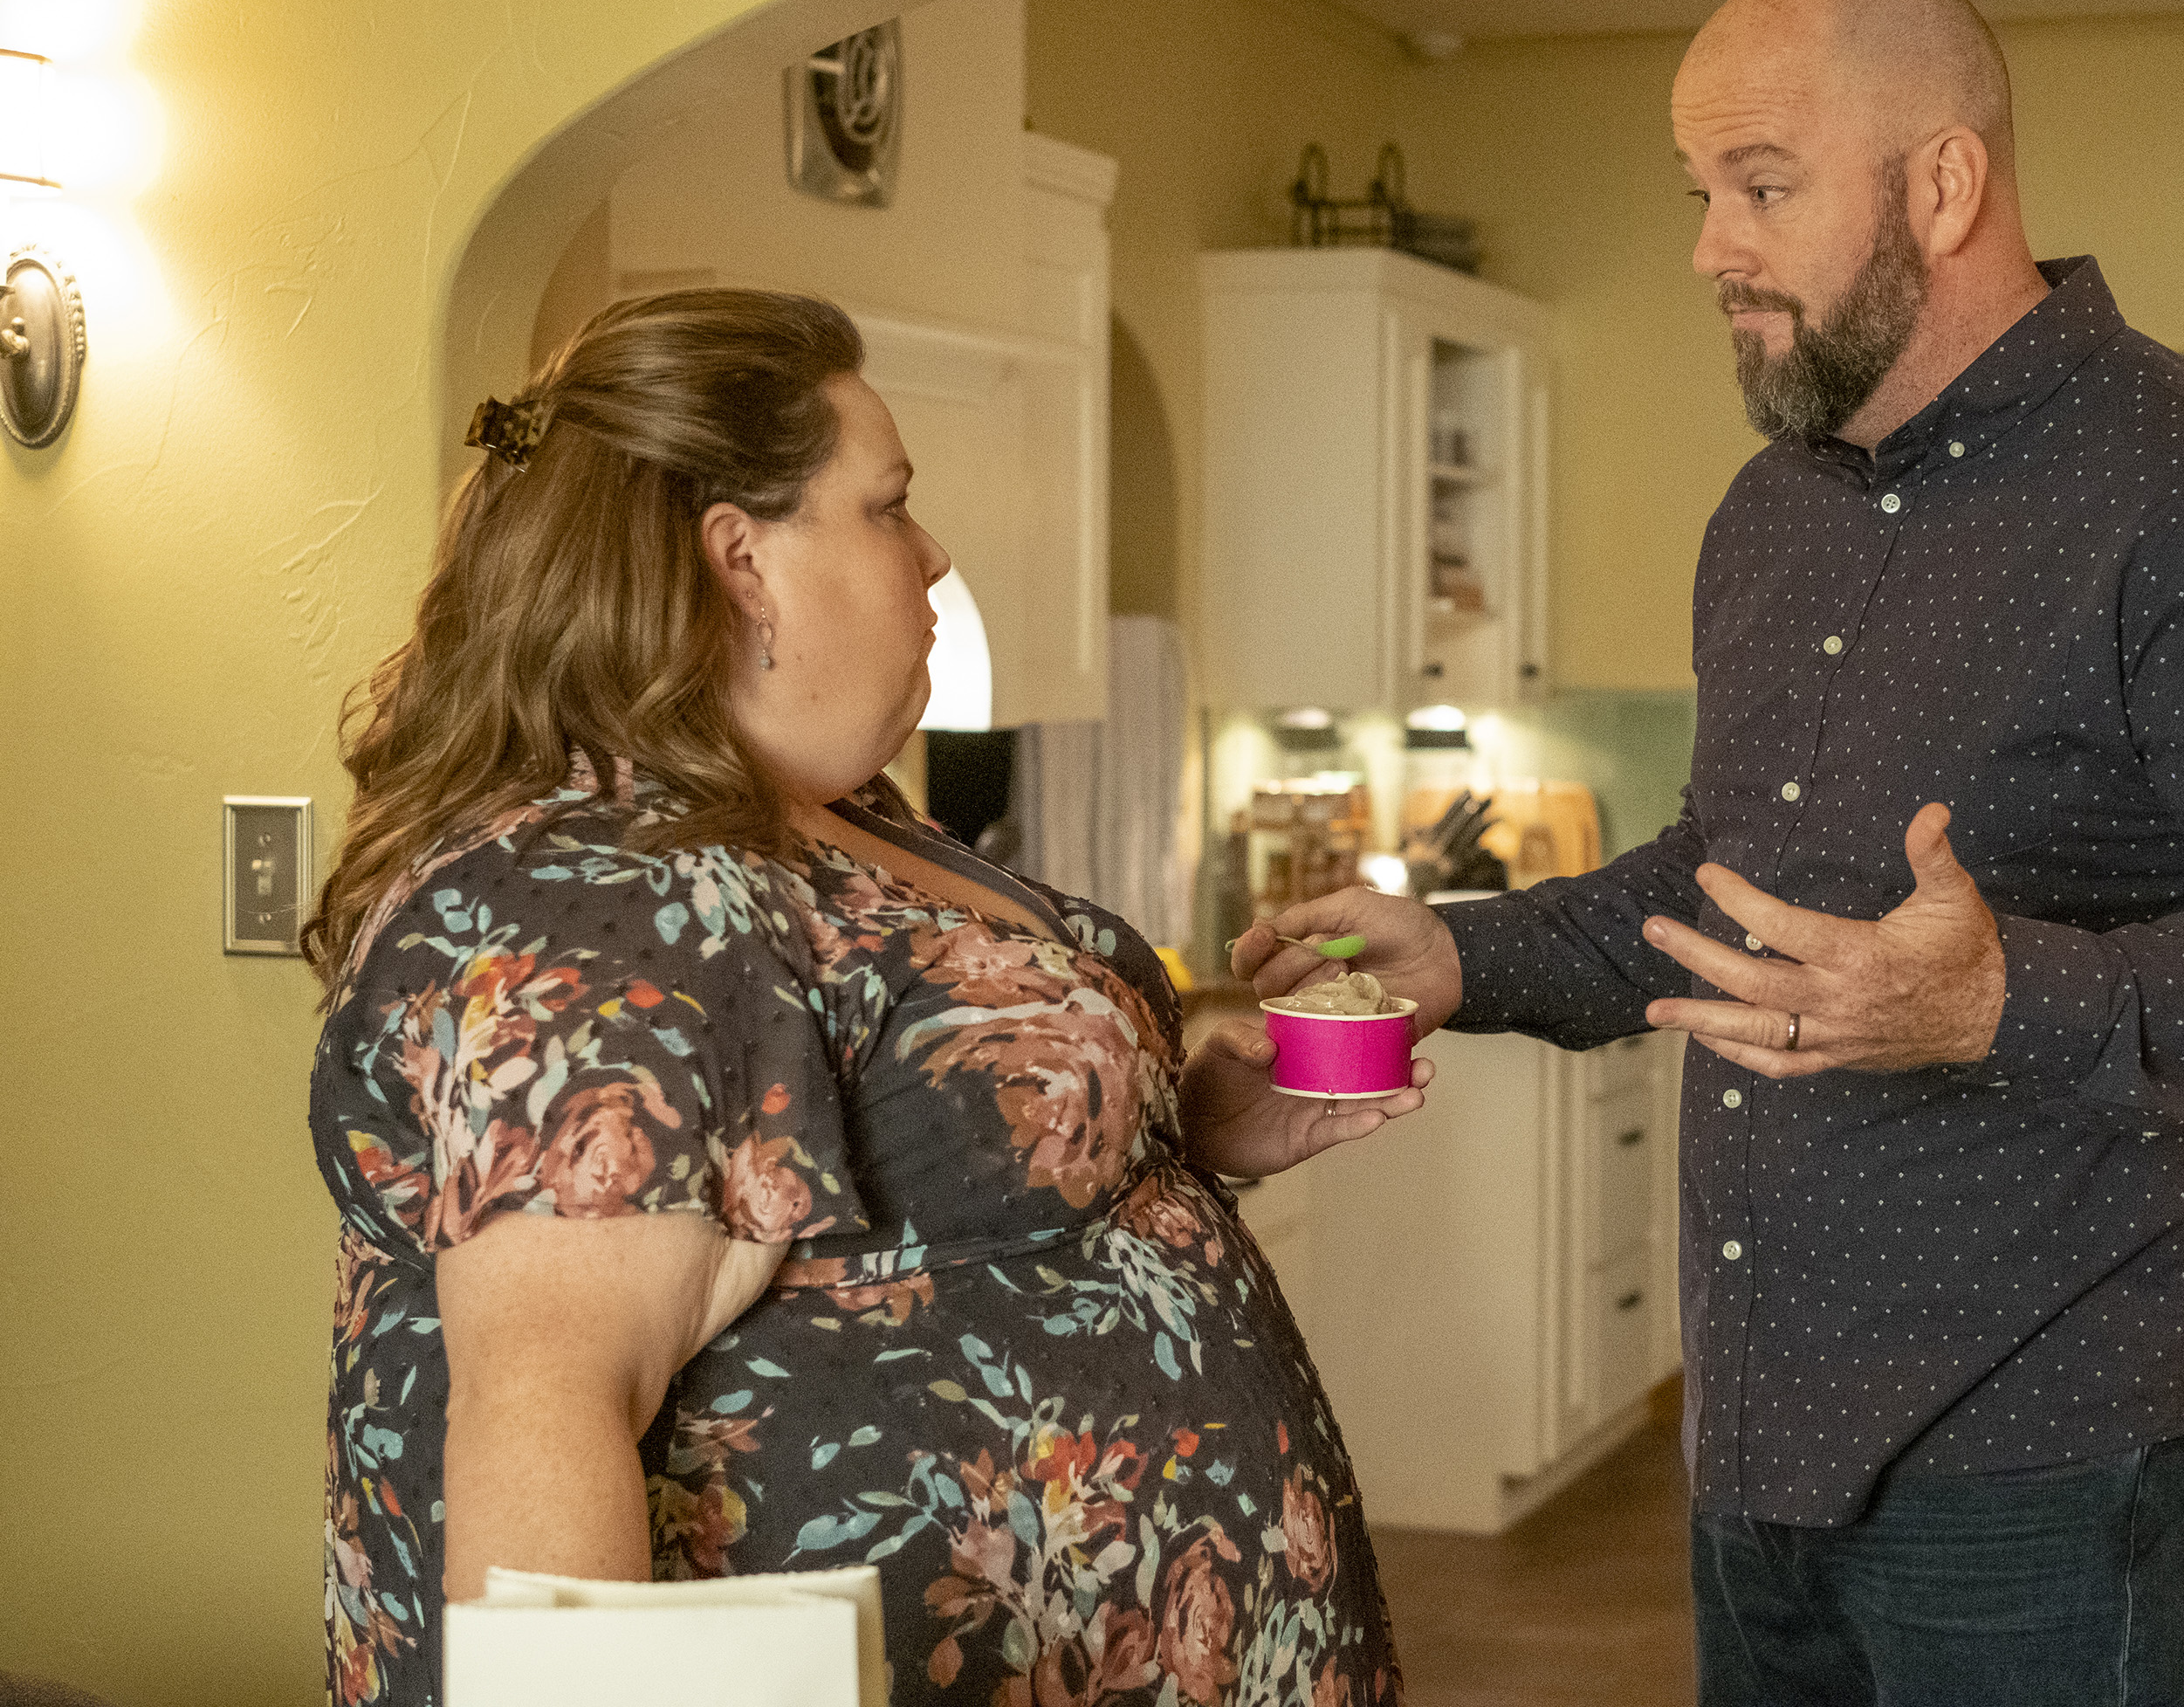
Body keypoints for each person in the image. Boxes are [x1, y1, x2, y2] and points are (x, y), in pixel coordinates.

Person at [1235, 0, 2184, 1702]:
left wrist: (1998, 1000)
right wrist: (1460, 947)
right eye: (1700, 193)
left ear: (1941, 183)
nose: (1709, 247)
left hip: (2057, 1430)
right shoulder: (1771, 516)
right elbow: (1725, 882)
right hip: (1765, 1418)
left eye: (1763, 185)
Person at [305, 288, 1422, 1707]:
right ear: (742, 563)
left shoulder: (817, 812)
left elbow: (915, 1178)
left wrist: (1174, 1134)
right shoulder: (608, 898)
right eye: (889, 506)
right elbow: (548, 1406)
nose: (934, 550)